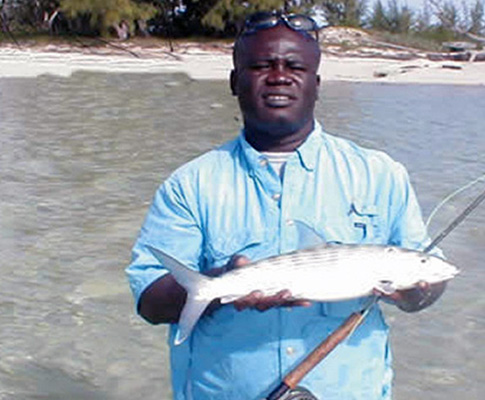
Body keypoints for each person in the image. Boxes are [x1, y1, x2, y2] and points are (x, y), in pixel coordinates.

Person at [126, 11, 446, 400]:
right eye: (261, 66)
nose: (279, 76)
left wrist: (414, 293)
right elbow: (150, 302)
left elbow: (430, 285)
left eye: (295, 66)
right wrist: (221, 283)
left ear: (317, 84)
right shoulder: (189, 185)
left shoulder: (380, 175)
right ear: (234, 82)